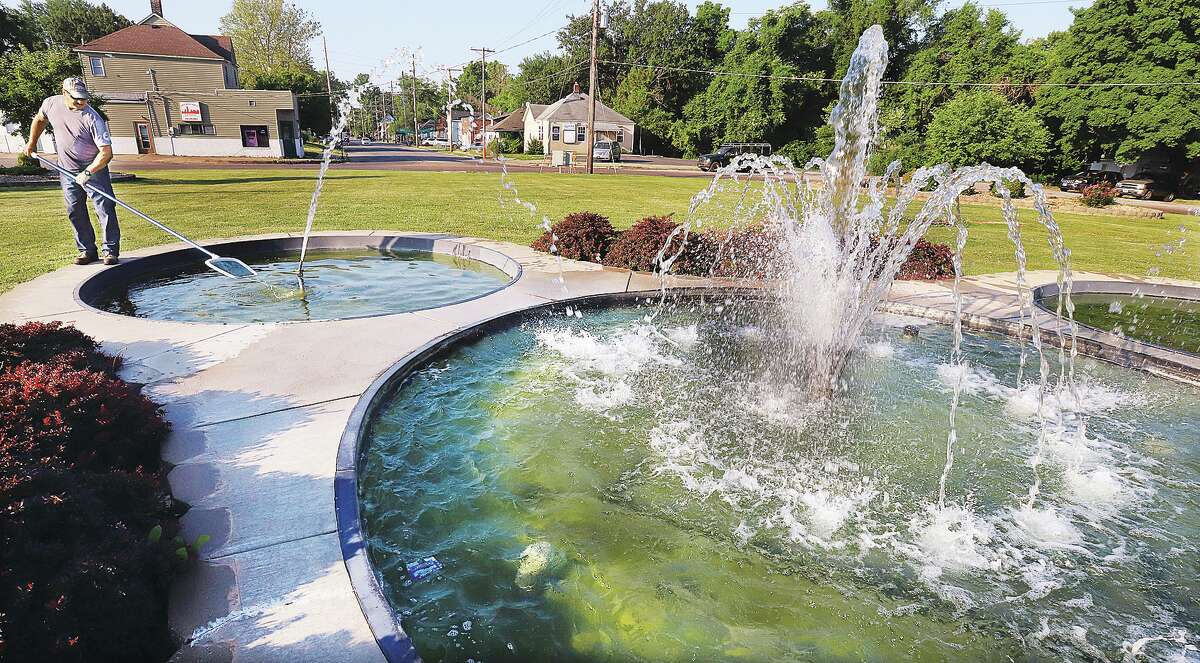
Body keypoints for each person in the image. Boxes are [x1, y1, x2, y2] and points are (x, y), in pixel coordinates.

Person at [22, 77, 120, 265]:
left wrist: (88, 173)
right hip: (66, 169)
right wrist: (32, 142)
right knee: (74, 209)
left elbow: (106, 153)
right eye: (76, 98)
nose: (81, 102)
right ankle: (87, 251)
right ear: (64, 93)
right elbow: (39, 119)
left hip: (94, 169)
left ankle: (110, 251)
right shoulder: (51, 103)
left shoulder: (93, 118)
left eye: (83, 98)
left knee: (105, 207)